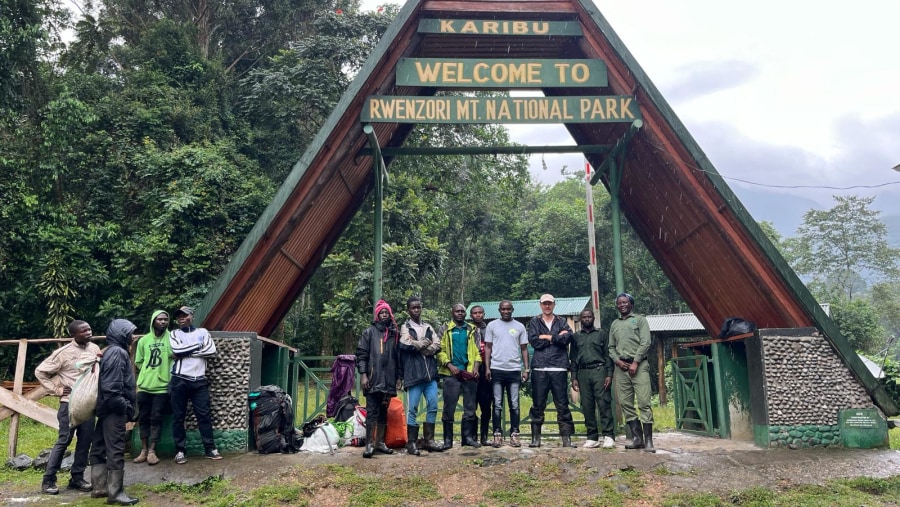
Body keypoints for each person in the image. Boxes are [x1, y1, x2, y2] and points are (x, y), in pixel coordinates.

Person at [35, 320, 101, 495]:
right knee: (64, 440)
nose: (89, 332)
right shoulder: (63, 353)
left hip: (88, 404)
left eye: (89, 329)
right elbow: (40, 371)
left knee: (85, 441)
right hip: (69, 405)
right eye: (84, 330)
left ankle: (77, 478)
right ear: (74, 334)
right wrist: (55, 389)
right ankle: (48, 480)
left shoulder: (94, 348)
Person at [89, 319, 139, 505]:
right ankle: (115, 492)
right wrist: (125, 407)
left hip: (104, 408)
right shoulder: (118, 353)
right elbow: (112, 388)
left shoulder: (108, 351)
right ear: (121, 334)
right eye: (130, 333)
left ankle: (99, 487)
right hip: (113, 409)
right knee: (116, 449)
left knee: (99, 447)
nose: (133, 337)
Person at [169, 306, 222, 464]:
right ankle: (179, 450)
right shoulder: (174, 333)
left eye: (184, 315)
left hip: (199, 380)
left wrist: (187, 353)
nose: (181, 318)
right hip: (179, 379)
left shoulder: (203, 332)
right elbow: (177, 348)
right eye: (179, 317)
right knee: (178, 417)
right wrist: (199, 347)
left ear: (192, 316)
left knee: (204, 415)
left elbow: (211, 350)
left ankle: (210, 448)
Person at [526, 293, 576, 448]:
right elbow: (534, 341)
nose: (547, 306)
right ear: (540, 305)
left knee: (562, 404)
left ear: (554, 304)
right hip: (540, 367)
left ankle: (566, 439)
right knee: (538, 404)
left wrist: (547, 337)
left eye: (550, 303)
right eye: (544, 303)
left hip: (559, 367)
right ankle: (536, 439)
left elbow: (567, 338)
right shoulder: (534, 321)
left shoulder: (562, 321)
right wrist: (555, 337)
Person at [608, 293, 655, 452]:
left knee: (643, 402)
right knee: (626, 403)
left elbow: (646, 341)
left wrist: (635, 361)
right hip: (621, 368)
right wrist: (617, 361)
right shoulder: (614, 324)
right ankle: (637, 438)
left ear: (631, 304)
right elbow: (611, 347)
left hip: (639, 366)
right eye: (619, 303)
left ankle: (649, 441)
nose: (622, 305)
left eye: (625, 302)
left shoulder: (640, 320)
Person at [356, 299, 402, 458]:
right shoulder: (368, 332)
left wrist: (398, 377)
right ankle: (369, 444)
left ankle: (380, 442)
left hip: (389, 379)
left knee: (384, 411)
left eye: (386, 312)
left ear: (390, 315)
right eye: (381, 312)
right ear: (377, 315)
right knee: (372, 411)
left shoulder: (394, 334)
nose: (384, 315)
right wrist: (363, 375)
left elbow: (398, 357)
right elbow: (361, 355)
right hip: (373, 379)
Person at [398, 296, 443, 455]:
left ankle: (428, 440)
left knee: (433, 405)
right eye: (413, 308)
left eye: (418, 307)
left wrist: (424, 347)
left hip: (430, 375)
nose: (416, 310)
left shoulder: (428, 327)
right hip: (414, 375)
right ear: (408, 310)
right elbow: (404, 343)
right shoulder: (405, 327)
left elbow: (437, 344)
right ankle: (411, 443)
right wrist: (422, 343)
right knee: (412, 409)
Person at [483, 300, 529, 447]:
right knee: (497, 404)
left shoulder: (519, 326)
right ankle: (497, 434)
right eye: (503, 309)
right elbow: (488, 347)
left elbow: (524, 349)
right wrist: (487, 367)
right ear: (499, 310)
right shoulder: (492, 325)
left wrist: (526, 369)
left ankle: (515, 434)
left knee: (514, 404)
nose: (506, 311)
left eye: (508, 309)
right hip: (496, 369)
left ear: (512, 310)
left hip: (514, 370)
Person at [436, 303, 481, 448]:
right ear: (452, 313)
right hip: (451, 374)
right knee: (449, 407)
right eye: (457, 311)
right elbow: (439, 350)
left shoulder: (472, 329)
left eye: (462, 311)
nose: (460, 313)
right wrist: (449, 364)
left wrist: (476, 367)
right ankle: (447, 441)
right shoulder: (444, 329)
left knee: (470, 407)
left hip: (469, 374)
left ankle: (467, 438)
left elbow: (477, 352)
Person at [132, 310, 173, 465]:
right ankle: (143, 450)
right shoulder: (144, 341)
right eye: (159, 319)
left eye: (165, 319)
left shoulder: (172, 338)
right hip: (144, 386)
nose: (163, 322)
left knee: (157, 417)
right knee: (143, 418)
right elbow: (139, 361)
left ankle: (152, 450)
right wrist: (148, 374)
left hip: (162, 387)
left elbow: (175, 357)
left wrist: (163, 373)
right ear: (153, 321)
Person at [570, 309, 615, 449]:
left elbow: (608, 355)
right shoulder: (576, 336)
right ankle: (592, 437)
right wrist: (574, 377)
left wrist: (609, 374)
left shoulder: (601, 334)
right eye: (585, 317)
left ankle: (608, 435)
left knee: (603, 403)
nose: (587, 319)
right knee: (587, 405)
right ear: (581, 319)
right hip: (583, 373)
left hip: (599, 371)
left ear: (593, 318)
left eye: (590, 317)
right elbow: (573, 358)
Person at [470, 305, 493, 446]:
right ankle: (472, 436)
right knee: (471, 405)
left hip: (487, 369)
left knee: (486, 405)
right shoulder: (467, 329)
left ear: (484, 314)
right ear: (471, 315)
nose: (477, 315)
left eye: (480, 313)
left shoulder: (489, 329)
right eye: (475, 313)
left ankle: (484, 436)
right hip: (471, 369)